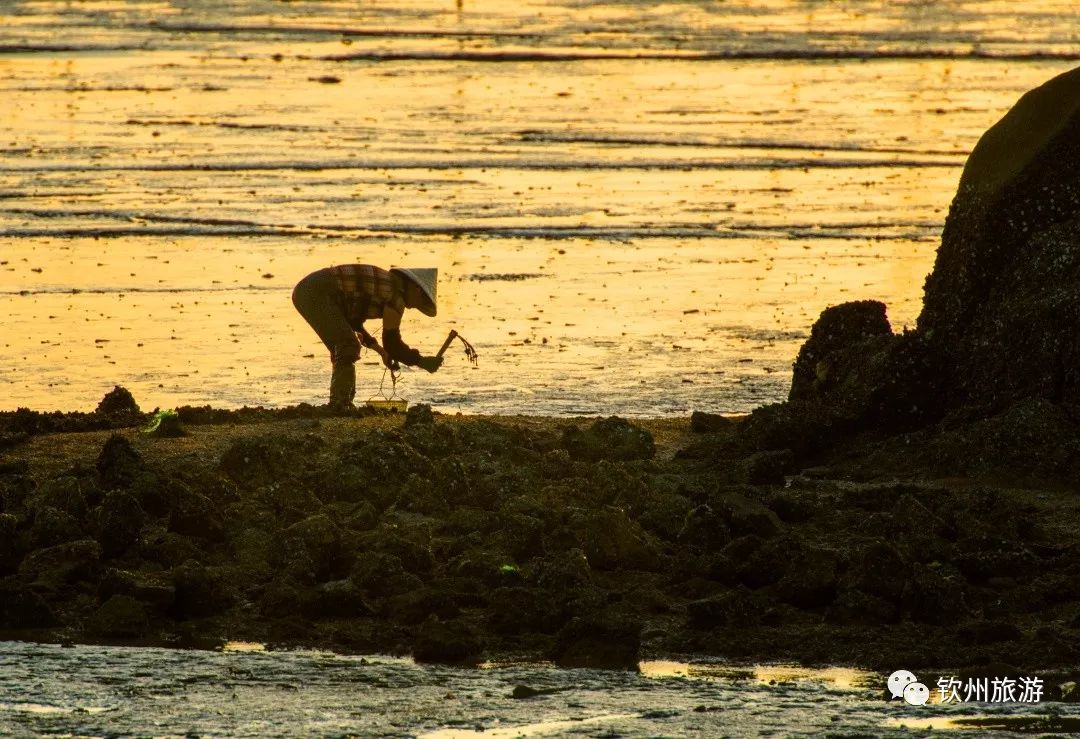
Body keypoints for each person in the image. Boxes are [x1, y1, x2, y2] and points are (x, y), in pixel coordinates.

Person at [292, 264, 444, 409]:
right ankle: (340, 404)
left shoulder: (384, 285)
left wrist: (381, 352)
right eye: (420, 302)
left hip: (305, 290)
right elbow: (393, 344)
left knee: (342, 345)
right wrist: (422, 362)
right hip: (317, 291)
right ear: (416, 289)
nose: (412, 307)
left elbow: (353, 323)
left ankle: (342, 402)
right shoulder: (395, 297)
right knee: (347, 345)